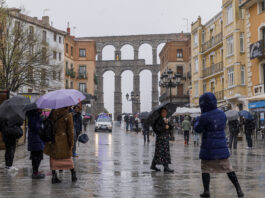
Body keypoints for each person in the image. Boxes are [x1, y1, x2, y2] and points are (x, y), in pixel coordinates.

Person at [194, 92, 243, 197]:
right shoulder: (221, 114)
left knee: (205, 168)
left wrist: (197, 120)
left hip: (208, 147)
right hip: (221, 147)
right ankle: (239, 190)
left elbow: (198, 129)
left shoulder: (204, 116)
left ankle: (206, 191)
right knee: (228, 168)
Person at [44, 107, 77, 184]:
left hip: (54, 139)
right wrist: (71, 143)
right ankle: (73, 174)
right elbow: (70, 131)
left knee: (53, 157)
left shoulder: (52, 113)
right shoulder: (68, 115)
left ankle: (54, 176)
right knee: (67, 158)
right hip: (64, 139)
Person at [150, 108, 174, 173]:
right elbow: (157, 129)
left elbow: (171, 127)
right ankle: (166, 167)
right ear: (161, 113)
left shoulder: (165, 119)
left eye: (165, 112)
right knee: (164, 152)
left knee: (158, 153)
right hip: (161, 139)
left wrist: (168, 123)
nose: (165, 113)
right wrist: (164, 127)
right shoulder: (158, 120)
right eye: (163, 112)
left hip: (165, 138)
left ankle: (153, 165)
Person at [27, 109, 45, 179]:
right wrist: (41, 120)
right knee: (37, 156)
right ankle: (35, 173)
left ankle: (35, 172)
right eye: (41, 108)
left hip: (36, 138)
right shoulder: (33, 116)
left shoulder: (35, 115)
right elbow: (36, 127)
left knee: (37, 155)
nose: (42, 109)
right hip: (35, 139)